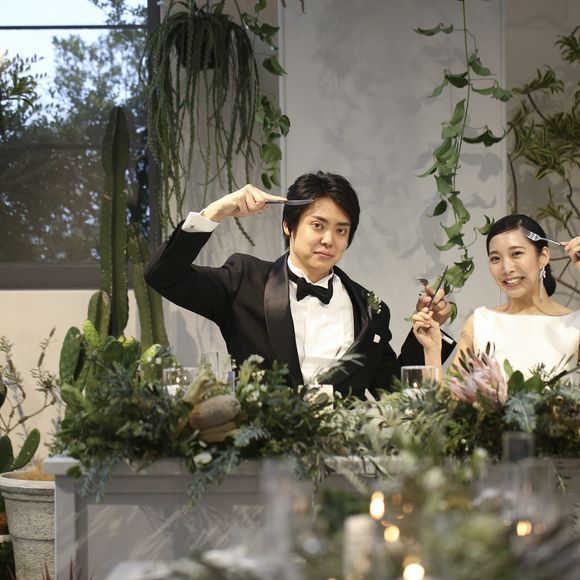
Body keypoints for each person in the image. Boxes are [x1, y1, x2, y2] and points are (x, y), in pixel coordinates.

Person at [145, 171, 456, 397]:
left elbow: (396, 392)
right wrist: (216, 212)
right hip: (264, 454)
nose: (328, 239)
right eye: (317, 225)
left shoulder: (370, 309)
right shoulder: (245, 280)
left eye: (341, 230)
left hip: (345, 455)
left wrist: (427, 343)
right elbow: (163, 275)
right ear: (288, 225)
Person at [412, 214, 580, 379]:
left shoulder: (575, 325)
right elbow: (449, 397)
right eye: (495, 258)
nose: (506, 268)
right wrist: (432, 350)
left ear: (543, 257)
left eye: (516, 253)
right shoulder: (480, 323)